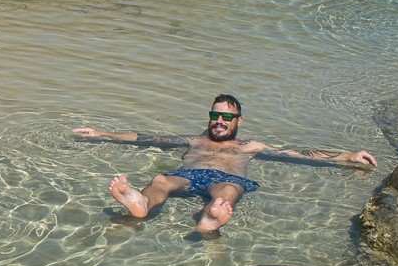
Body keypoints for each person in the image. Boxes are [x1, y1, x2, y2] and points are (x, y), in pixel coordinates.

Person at [73, 94, 376, 237]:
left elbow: (297, 153)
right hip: (188, 176)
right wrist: (102, 133)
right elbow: (145, 136)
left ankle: (209, 219)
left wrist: (346, 156)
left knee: (227, 191)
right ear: (210, 118)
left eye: (227, 117)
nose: (220, 121)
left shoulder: (250, 147)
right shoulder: (194, 140)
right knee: (161, 179)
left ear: (238, 121)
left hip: (226, 178)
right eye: (215, 116)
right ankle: (140, 203)